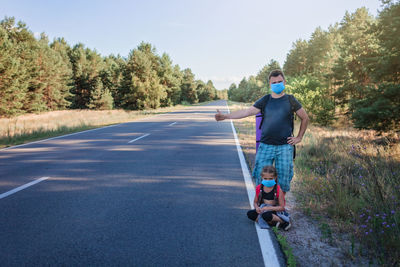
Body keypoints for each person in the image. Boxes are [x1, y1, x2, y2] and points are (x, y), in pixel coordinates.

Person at [215, 69, 309, 194]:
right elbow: (246, 112)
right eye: (274, 82)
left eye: (279, 81)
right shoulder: (265, 100)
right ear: (269, 84)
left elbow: (305, 117)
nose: (277, 84)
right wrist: (226, 116)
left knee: (284, 179)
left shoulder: (290, 100)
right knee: (261, 177)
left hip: (285, 146)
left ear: (285, 82)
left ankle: (279, 208)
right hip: (266, 145)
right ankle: (263, 204)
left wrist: (299, 137)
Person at [247, 165, 291, 230]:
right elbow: (255, 202)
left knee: (266, 215)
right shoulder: (259, 188)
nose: (268, 180)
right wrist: (257, 208)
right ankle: (274, 223)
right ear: (262, 177)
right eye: (265, 178)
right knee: (250, 214)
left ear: (275, 178)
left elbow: (282, 207)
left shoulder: (278, 189)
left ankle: (282, 222)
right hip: (263, 209)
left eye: (270, 179)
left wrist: (268, 208)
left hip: (274, 210)